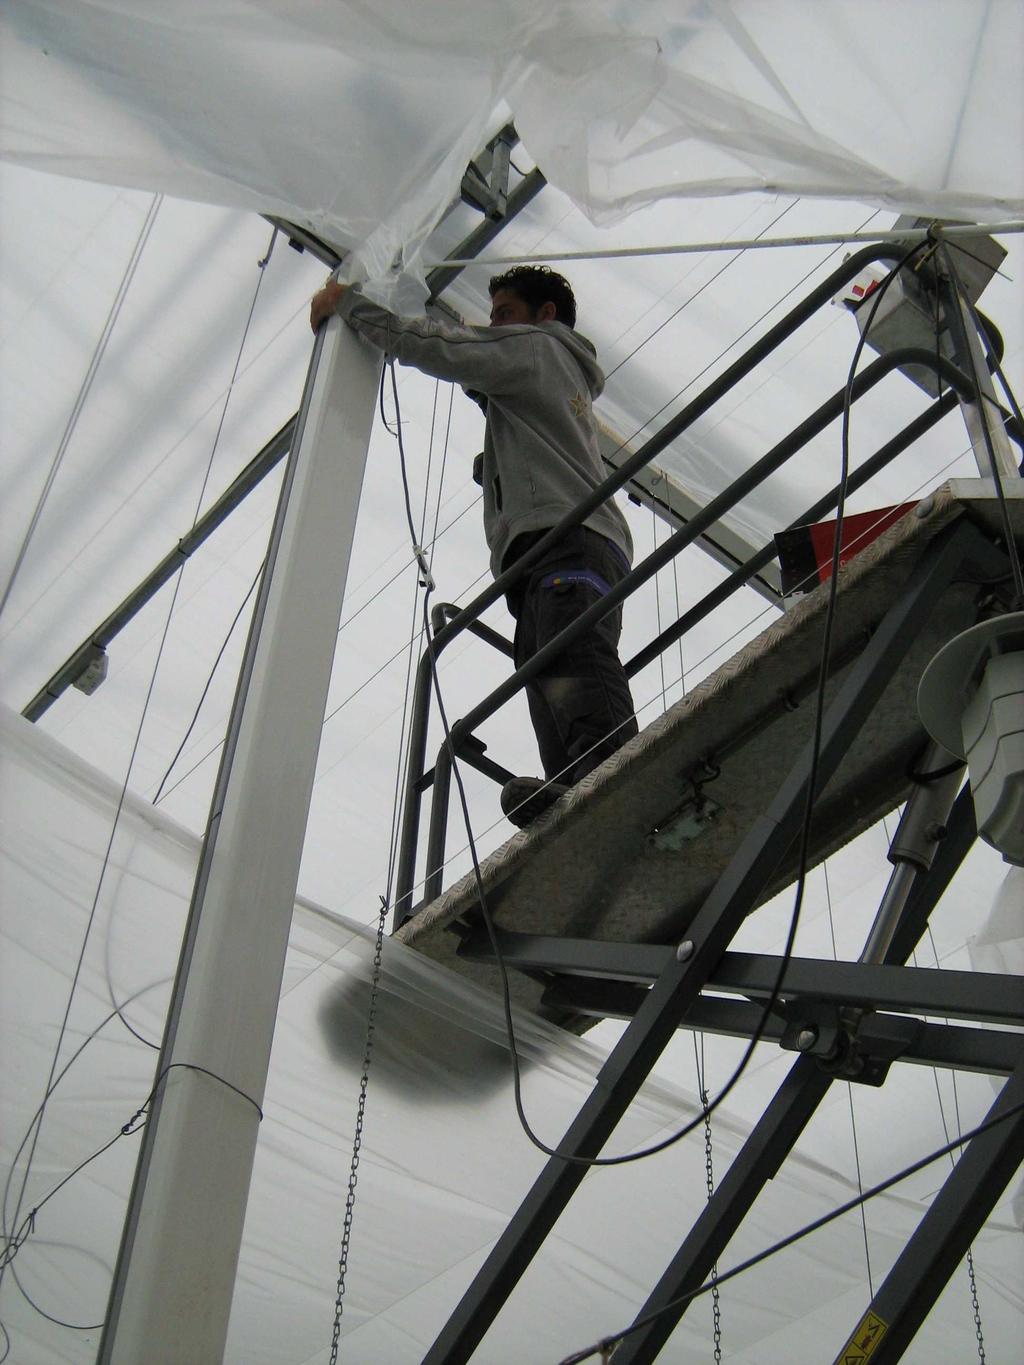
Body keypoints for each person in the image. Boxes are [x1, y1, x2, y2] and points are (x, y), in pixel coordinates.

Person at [310, 265, 638, 826]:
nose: (495, 327)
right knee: (547, 672)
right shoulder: (551, 374)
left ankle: (617, 778)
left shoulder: (535, 348)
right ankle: (578, 795)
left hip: (567, 539)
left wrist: (352, 306)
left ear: (546, 314)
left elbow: (447, 349)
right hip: (558, 546)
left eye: (503, 314)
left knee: (569, 655)